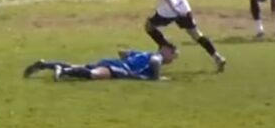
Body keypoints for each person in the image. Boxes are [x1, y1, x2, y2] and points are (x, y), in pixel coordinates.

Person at [23, 45, 178, 81]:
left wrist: (129, 58)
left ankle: (44, 64)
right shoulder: (156, 56)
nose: (173, 58)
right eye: (173, 53)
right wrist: (157, 79)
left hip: (114, 62)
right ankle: (63, 72)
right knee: (94, 75)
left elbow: (123, 52)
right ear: (165, 49)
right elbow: (155, 62)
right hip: (120, 68)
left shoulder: (143, 53)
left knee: (81, 66)